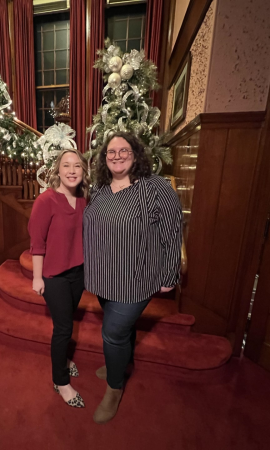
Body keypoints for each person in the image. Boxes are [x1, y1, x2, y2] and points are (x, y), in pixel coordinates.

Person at [83, 131, 182, 424]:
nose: (117, 156)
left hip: (136, 278)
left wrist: (169, 273)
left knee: (112, 333)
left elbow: (173, 232)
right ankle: (122, 363)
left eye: (123, 150)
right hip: (102, 277)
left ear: (136, 154)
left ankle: (115, 387)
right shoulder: (100, 188)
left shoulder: (155, 188)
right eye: (110, 152)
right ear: (104, 158)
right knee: (121, 332)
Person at [28, 149, 91, 408]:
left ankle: (64, 359)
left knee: (67, 323)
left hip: (78, 273)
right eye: (67, 165)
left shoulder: (85, 201)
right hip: (54, 277)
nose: (72, 170)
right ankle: (60, 381)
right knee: (63, 328)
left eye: (77, 165)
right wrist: (37, 277)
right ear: (58, 170)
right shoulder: (46, 200)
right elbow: (37, 241)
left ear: (83, 171)